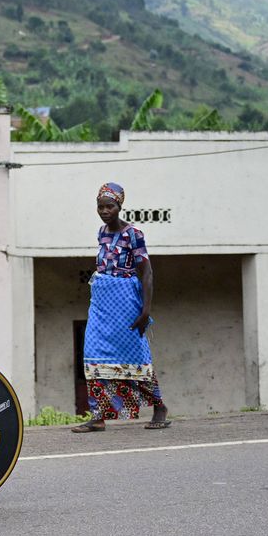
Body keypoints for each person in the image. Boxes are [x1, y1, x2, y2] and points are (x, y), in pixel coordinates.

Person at [71, 182, 170, 432]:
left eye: (109, 206)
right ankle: (98, 416)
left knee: (134, 355)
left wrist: (145, 310)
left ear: (119, 206)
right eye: (100, 206)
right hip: (101, 301)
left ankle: (159, 407)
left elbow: (146, 272)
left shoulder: (133, 233)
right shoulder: (101, 232)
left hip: (126, 299)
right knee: (93, 353)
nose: (104, 211)